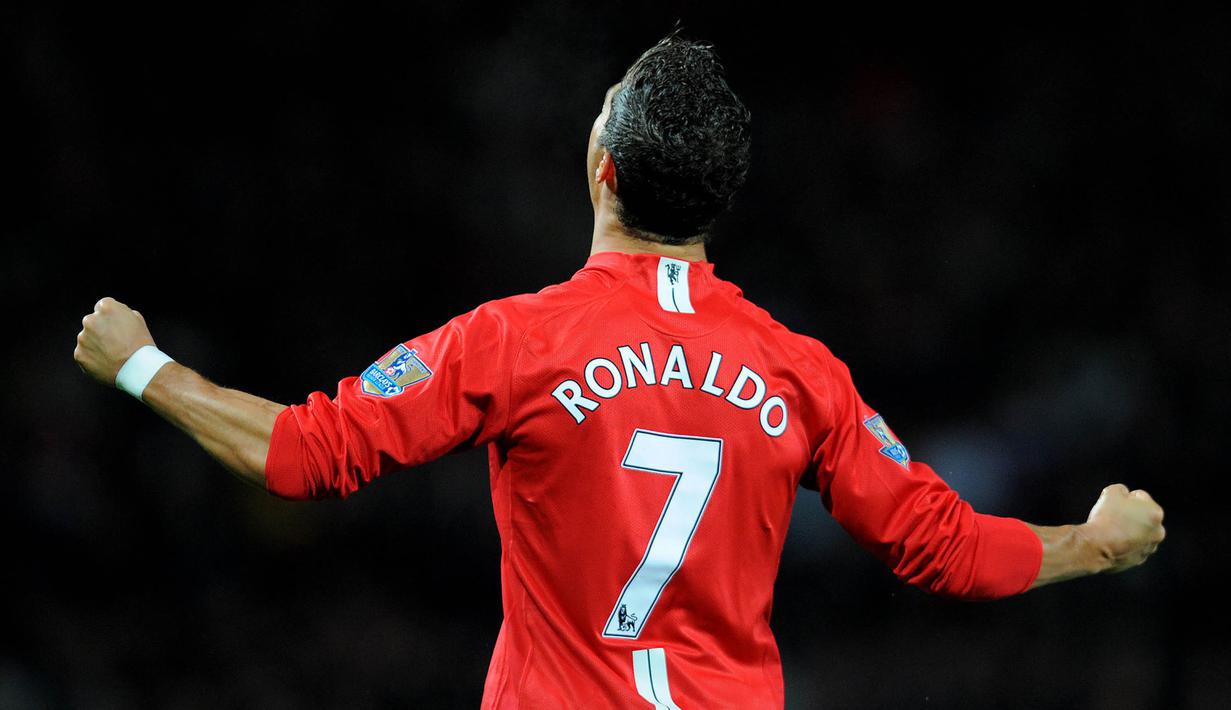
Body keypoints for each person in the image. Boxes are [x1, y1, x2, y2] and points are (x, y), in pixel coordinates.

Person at [74, 31, 1165, 709]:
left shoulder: (516, 340)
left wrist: (140, 365)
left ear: (601, 168)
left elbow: (301, 455)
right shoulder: (797, 372)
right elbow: (948, 549)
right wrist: (1098, 540)